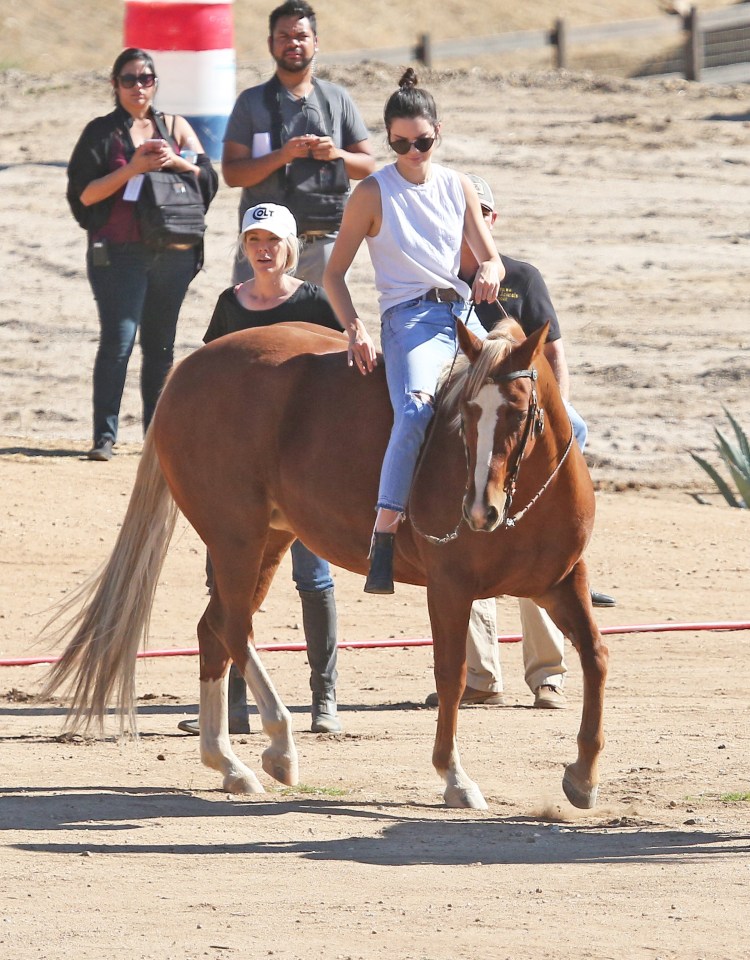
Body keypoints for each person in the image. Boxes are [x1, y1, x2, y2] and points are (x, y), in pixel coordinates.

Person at [424, 173, 616, 712]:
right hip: (465, 423)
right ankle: (481, 676)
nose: (473, 223)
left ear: (493, 219)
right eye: (464, 215)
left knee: (557, 493)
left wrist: (556, 415)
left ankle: (547, 676)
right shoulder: (438, 280)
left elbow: (552, 352)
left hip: (522, 417)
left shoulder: (522, 279)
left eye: (481, 213)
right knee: (459, 536)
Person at [323, 68, 503, 596]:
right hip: (409, 317)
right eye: (399, 143)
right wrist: (355, 327)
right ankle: (384, 533)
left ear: (438, 133)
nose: (411, 152)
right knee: (416, 409)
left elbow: (488, 255)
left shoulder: (457, 184)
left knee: (528, 401)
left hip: (464, 315)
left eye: (421, 142)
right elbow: (334, 273)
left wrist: (490, 270)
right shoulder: (373, 193)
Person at [177, 203, 344, 737]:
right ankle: (232, 705)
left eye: (272, 239)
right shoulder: (231, 304)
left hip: (307, 463)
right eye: (253, 240)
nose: (263, 248)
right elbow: (208, 382)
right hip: (241, 468)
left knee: (314, 577)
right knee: (226, 580)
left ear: (290, 245)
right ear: (245, 247)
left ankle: (325, 698)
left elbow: (346, 373)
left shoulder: (316, 300)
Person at [67, 48, 217, 461]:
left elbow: (209, 180)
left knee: (161, 345)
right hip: (118, 253)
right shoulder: (101, 133)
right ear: (115, 85)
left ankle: (156, 437)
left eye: (146, 78)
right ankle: (104, 437)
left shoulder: (175, 127)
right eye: (129, 79)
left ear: (155, 83)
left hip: (173, 252)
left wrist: (180, 163)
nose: (139, 86)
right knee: (119, 340)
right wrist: (132, 168)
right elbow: (85, 195)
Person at [221, 0, 375, 287]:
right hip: (263, 245)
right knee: (253, 327)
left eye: (301, 36)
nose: (293, 43)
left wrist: (335, 154)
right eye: (284, 37)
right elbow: (232, 174)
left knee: (321, 329)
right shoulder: (251, 102)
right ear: (271, 43)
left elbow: (367, 167)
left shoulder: (337, 99)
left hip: (323, 240)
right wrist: (282, 156)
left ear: (315, 42)